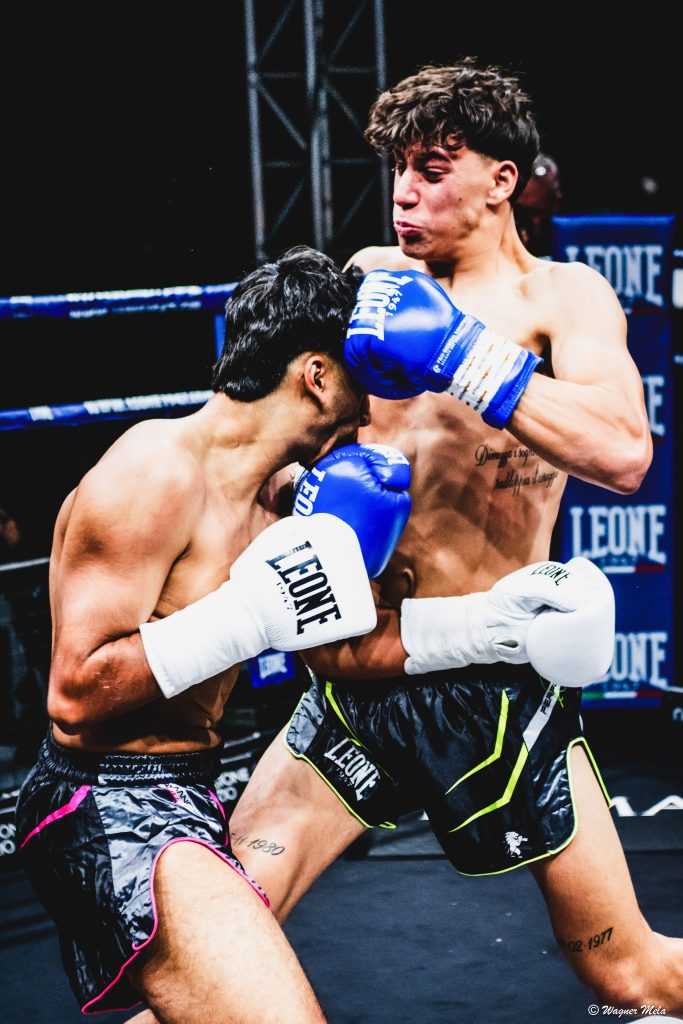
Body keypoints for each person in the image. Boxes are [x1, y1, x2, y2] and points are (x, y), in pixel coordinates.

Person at [202, 59, 683, 1017]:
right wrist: (303, 492)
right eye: (397, 171)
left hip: (496, 688)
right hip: (357, 675)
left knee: (627, 973)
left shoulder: (563, 298)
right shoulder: (368, 280)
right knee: (220, 932)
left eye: (431, 169)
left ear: (501, 179)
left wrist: (465, 356)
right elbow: (267, 448)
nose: (404, 194)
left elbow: (625, 453)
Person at [13, 246, 412, 1024]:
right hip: (104, 801)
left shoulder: (283, 498)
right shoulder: (155, 472)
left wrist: (487, 625)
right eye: (358, 379)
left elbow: (339, 648)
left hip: (191, 787)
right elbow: (72, 696)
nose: (368, 411)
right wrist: (248, 614)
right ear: (315, 375)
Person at [514, 151, 563, 255]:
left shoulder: (573, 243)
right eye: (518, 211)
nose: (525, 221)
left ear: (555, 205)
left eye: (533, 213)